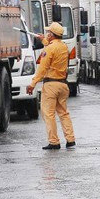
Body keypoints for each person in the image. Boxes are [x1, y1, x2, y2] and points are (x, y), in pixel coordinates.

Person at [27, 22, 76, 150]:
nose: (47, 34)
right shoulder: (64, 47)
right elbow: (53, 48)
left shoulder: (49, 49)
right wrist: (43, 40)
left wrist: (32, 84)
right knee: (63, 113)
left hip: (50, 85)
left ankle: (54, 142)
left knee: (48, 114)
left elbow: (42, 69)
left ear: (52, 35)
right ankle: (70, 139)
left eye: (49, 33)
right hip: (63, 85)